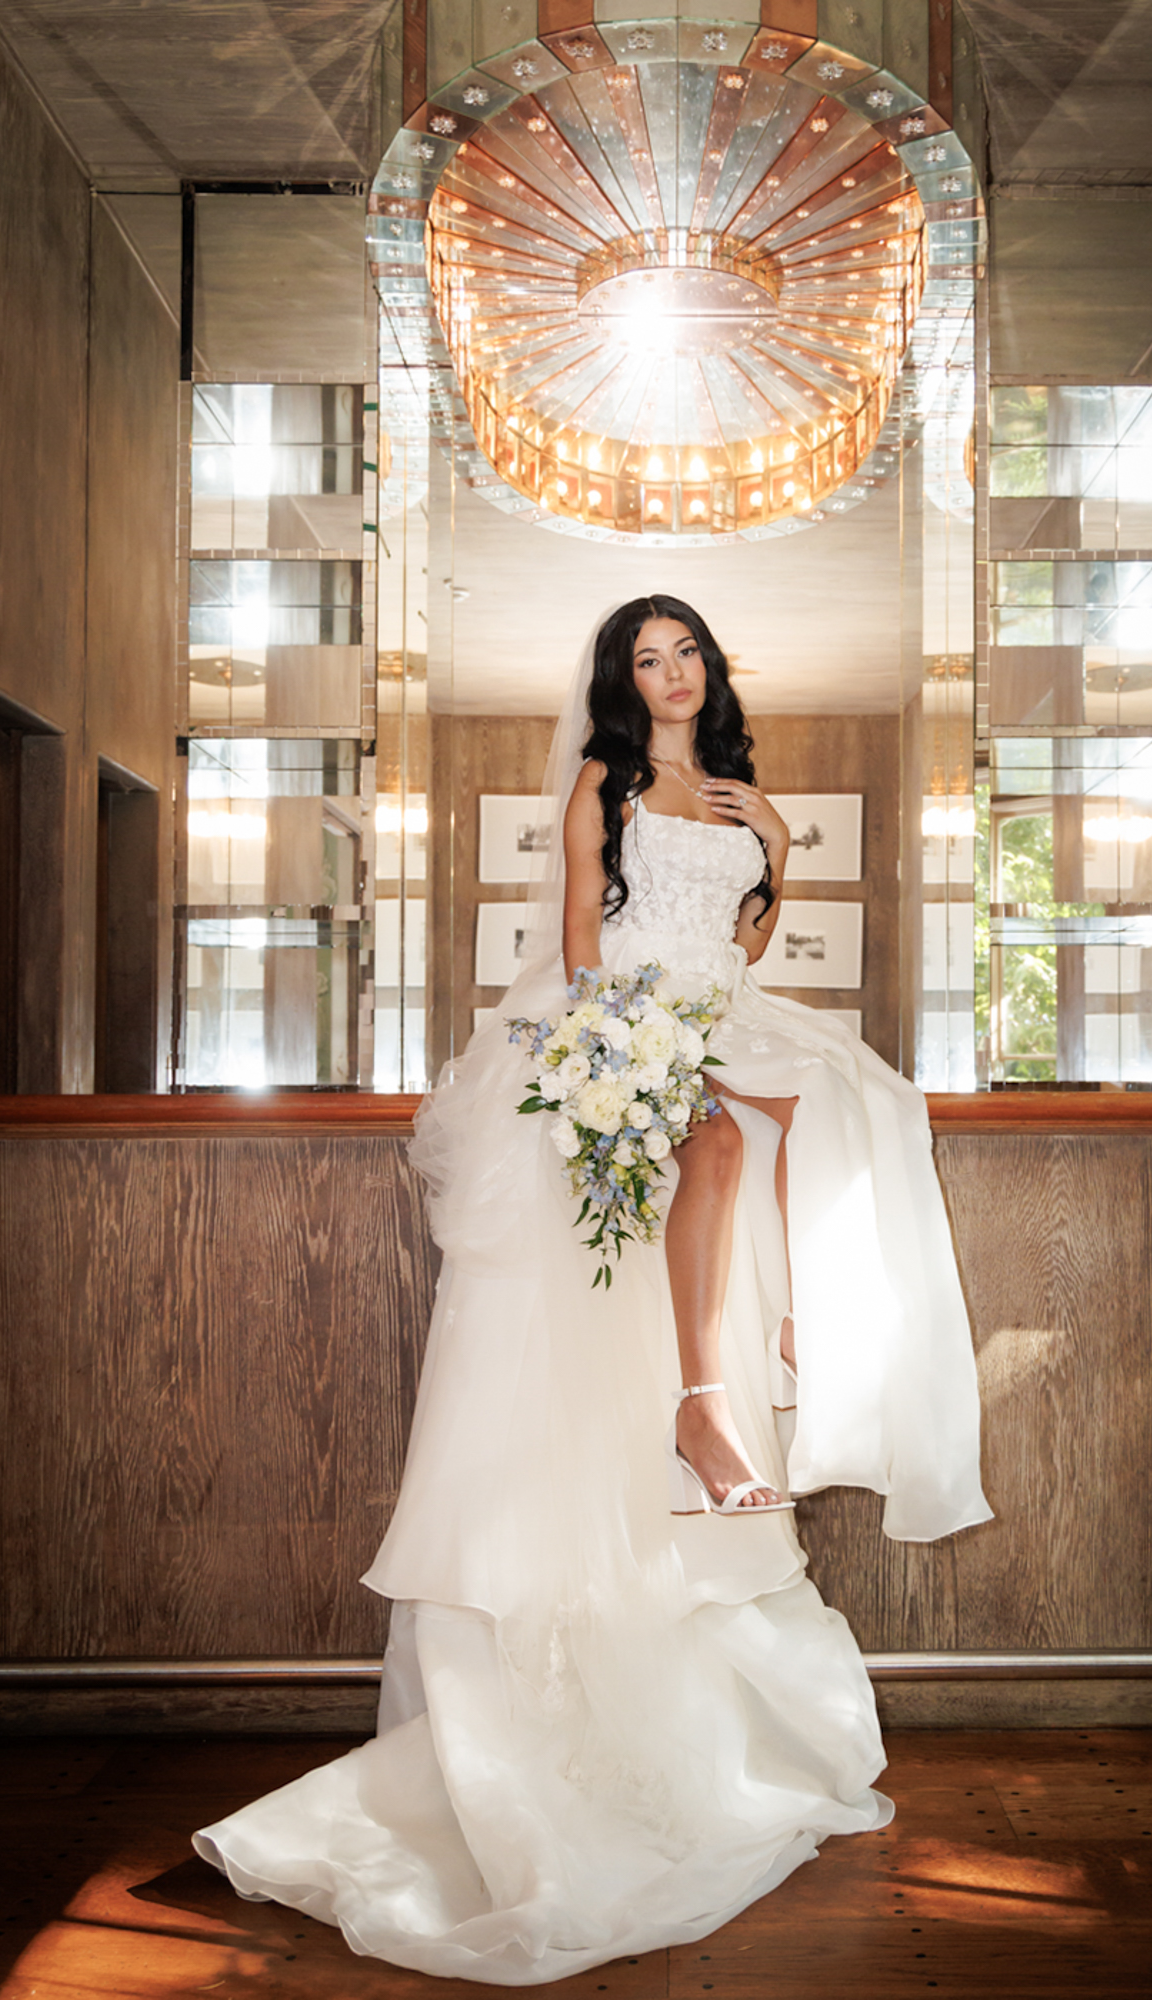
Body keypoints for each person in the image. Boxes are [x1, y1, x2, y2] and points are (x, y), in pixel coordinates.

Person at [194, 595, 992, 1984]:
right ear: (623, 679)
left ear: (711, 671)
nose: (671, 673)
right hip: (617, 1024)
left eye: (687, 653)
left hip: (717, 1009)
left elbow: (745, 945)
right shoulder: (601, 781)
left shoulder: (734, 790)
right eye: (647, 657)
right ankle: (703, 1403)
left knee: (859, 1108)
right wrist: (624, 1053)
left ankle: (779, 1352)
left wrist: (777, 847)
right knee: (715, 1140)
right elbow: (578, 939)